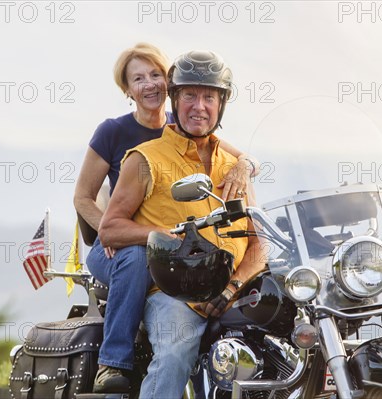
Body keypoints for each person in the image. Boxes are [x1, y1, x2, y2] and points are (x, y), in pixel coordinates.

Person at [76, 43, 260, 393]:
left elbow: (258, 241)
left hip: (234, 287)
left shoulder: (228, 164)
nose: (200, 106)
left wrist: (245, 165)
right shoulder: (134, 148)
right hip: (168, 281)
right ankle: (112, 362)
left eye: (210, 98)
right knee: (173, 347)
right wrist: (153, 236)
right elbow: (88, 203)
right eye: (190, 96)